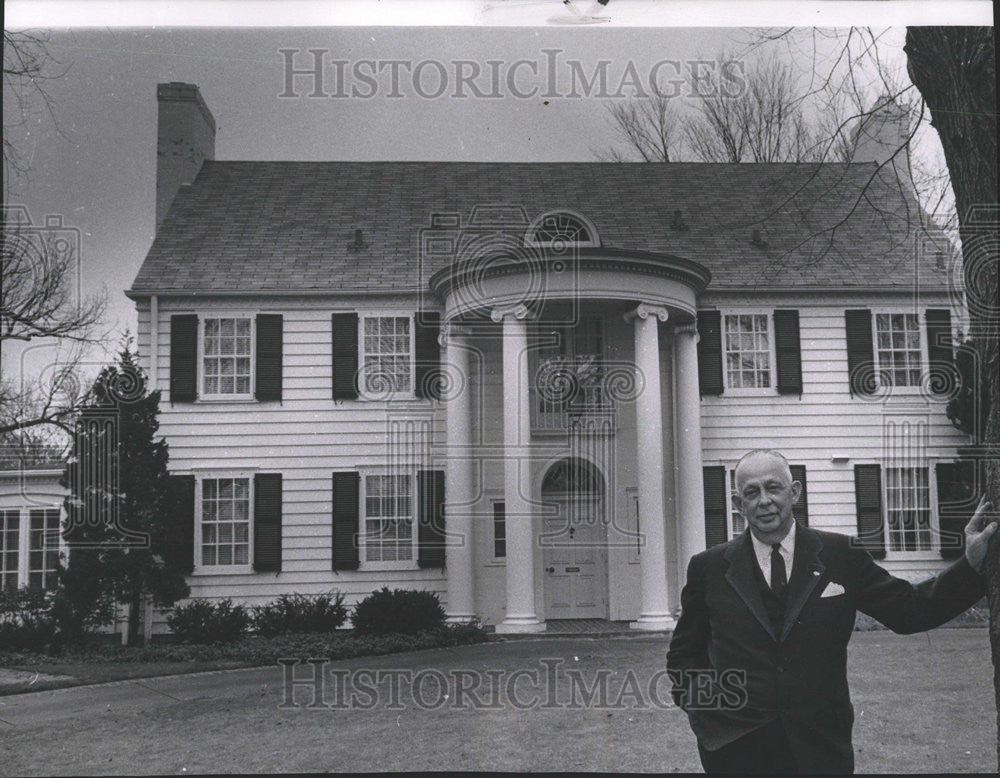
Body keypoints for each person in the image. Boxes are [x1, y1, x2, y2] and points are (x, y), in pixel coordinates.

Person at [666, 448, 996, 774]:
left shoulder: (841, 555)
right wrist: (711, 720)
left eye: (773, 487)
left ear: (794, 492)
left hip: (820, 749)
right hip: (735, 755)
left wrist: (970, 566)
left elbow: (911, 610)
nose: (764, 500)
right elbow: (683, 656)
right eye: (751, 492)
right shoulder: (708, 568)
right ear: (738, 505)